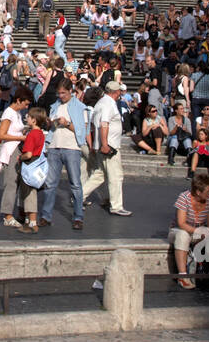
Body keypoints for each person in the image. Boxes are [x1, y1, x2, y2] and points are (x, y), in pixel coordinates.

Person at [39, 79, 88, 230]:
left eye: (63, 93)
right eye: (59, 93)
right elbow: (51, 126)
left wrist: (67, 123)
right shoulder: (55, 106)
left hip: (72, 148)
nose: (61, 96)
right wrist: (49, 122)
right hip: (54, 146)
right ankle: (46, 216)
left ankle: (78, 217)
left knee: (75, 184)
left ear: (71, 91)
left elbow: (82, 131)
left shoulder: (81, 108)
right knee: (50, 184)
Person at [170, 170, 209, 291]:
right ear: (198, 192)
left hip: (199, 232)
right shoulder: (184, 198)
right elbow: (181, 223)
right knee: (183, 235)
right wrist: (198, 232)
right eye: (207, 191)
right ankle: (182, 276)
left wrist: (207, 232)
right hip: (179, 230)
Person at [87, 82, 130, 215]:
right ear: (116, 92)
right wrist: (105, 144)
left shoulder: (100, 103)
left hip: (101, 144)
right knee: (116, 175)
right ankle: (116, 206)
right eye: (119, 92)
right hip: (109, 146)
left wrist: (97, 143)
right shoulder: (109, 104)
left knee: (99, 175)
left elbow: (96, 125)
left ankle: (79, 196)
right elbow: (104, 124)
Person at [0, 85, 33, 228]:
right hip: (11, 150)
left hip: (17, 150)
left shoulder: (17, 113)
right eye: (25, 103)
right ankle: (7, 215)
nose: (26, 106)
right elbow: (1, 135)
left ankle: (18, 212)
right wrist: (21, 138)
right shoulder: (9, 113)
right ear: (18, 100)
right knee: (11, 183)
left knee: (17, 182)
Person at [17, 105, 48, 232]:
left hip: (30, 165)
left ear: (34, 120)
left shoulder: (32, 135)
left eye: (28, 117)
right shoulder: (40, 133)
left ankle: (32, 223)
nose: (27, 119)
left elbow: (28, 154)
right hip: (38, 165)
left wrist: (21, 157)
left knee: (29, 194)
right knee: (31, 191)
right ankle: (28, 220)